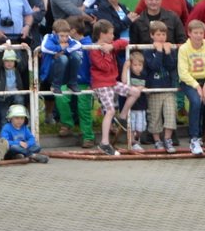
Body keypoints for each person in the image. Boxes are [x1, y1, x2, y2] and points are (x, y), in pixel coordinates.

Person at [89, 18, 141, 156]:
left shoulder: (111, 44)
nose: (113, 36)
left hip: (112, 82)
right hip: (101, 83)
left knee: (135, 92)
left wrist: (112, 46)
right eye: (111, 34)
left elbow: (125, 42)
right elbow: (104, 67)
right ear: (102, 34)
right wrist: (106, 53)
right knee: (110, 111)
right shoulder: (94, 49)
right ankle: (104, 143)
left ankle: (122, 116)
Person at [177, 19, 205, 155]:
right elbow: (183, 72)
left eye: (201, 33)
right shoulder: (184, 49)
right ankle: (194, 138)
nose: (198, 36)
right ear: (189, 33)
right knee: (196, 102)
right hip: (189, 81)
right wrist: (196, 86)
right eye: (195, 33)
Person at [56, 16, 96, 147]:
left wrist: (92, 81)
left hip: (84, 81)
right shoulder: (67, 44)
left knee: (84, 109)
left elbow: (93, 64)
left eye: (67, 31)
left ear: (72, 31)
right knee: (60, 97)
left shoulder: (89, 44)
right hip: (67, 80)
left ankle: (88, 136)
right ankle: (67, 123)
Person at [143, 20, 178, 153]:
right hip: (154, 89)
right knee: (155, 116)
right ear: (152, 35)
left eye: (163, 34)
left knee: (170, 113)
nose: (161, 37)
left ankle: (167, 139)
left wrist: (168, 53)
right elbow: (154, 66)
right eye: (158, 34)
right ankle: (157, 140)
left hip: (168, 88)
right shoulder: (148, 50)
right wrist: (158, 52)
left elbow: (171, 66)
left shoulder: (169, 48)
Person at [40, 18, 83, 94]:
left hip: (65, 73)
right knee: (63, 58)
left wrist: (64, 51)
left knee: (76, 56)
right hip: (50, 73)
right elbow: (45, 48)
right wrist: (59, 47)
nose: (64, 38)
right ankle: (55, 86)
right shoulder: (48, 37)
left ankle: (72, 83)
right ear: (54, 33)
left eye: (66, 36)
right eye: (61, 36)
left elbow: (78, 45)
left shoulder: (68, 39)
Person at [124, 50, 148, 151]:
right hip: (132, 107)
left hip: (142, 106)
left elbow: (147, 88)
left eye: (140, 65)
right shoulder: (130, 75)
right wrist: (125, 67)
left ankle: (136, 139)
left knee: (141, 127)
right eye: (135, 65)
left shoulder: (144, 74)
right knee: (132, 126)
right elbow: (124, 82)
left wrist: (142, 88)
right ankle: (133, 142)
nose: (138, 67)